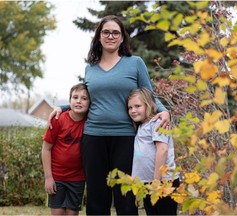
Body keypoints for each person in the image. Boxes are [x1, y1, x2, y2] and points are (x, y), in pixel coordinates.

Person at [47, 15, 171, 215]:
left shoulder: (135, 63)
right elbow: (87, 98)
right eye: (106, 32)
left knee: (126, 197)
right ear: (99, 36)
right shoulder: (91, 68)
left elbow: (149, 94)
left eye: (115, 32)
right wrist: (63, 107)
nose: (110, 36)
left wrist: (165, 111)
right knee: (96, 198)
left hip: (126, 138)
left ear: (122, 38)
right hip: (93, 137)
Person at [127, 87, 179, 215]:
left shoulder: (157, 122)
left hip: (163, 182)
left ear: (148, 105)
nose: (133, 110)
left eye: (137, 106)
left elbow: (162, 150)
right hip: (148, 184)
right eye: (130, 108)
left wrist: (156, 180)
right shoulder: (141, 126)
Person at [41, 83, 90, 215]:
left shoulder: (90, 122)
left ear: (90, 102)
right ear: (69, 101)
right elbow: (46, 149)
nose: (79, 101)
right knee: (57, 213)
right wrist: (48, 177)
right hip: (57, 178)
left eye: (84, 98)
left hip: (78, 179)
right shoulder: (58, 119)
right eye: (75, 97)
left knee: (72, 214)